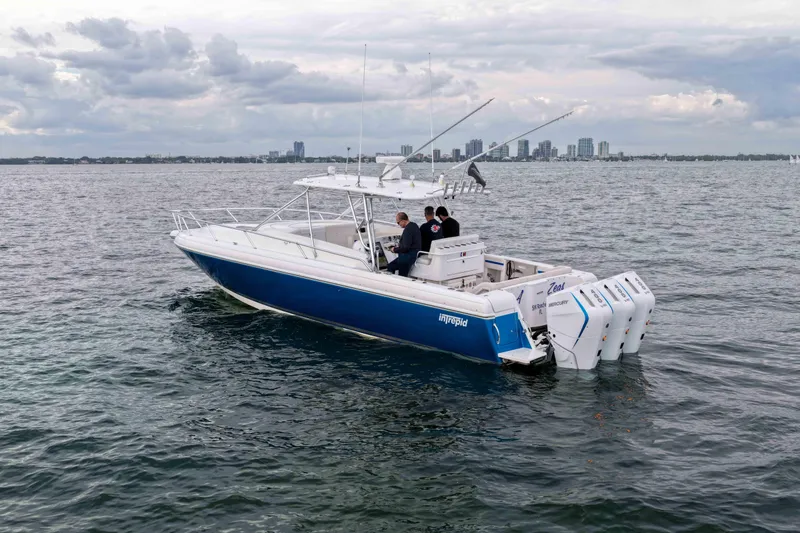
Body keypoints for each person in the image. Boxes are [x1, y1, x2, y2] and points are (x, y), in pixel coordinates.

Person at [386, 212, 421, 277]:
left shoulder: (407, 230)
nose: (398, 224)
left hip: (407, 257)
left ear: (403, 221)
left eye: (398, 222)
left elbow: (405, 248)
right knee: (392, 266)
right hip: (414, 254)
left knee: (392, 268)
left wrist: (394, 249)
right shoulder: (414, 225)